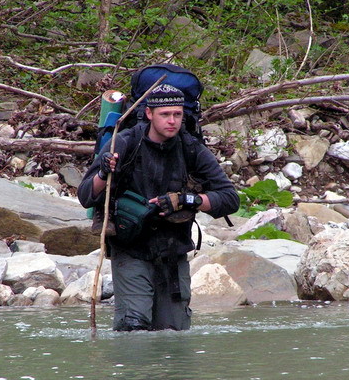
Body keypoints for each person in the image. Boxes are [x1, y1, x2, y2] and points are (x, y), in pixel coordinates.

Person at [78, 84, 240, 332]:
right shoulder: (123, 143)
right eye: (165, 114)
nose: (173, 121)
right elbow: (86, 195)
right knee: (133, 329)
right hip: (130, 249)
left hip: (173, 253)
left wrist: (189, 200)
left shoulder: (191, 147)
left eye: (178, 114)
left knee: (173, 333)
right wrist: (103, 172)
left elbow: (230, 199)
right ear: (149, 113)